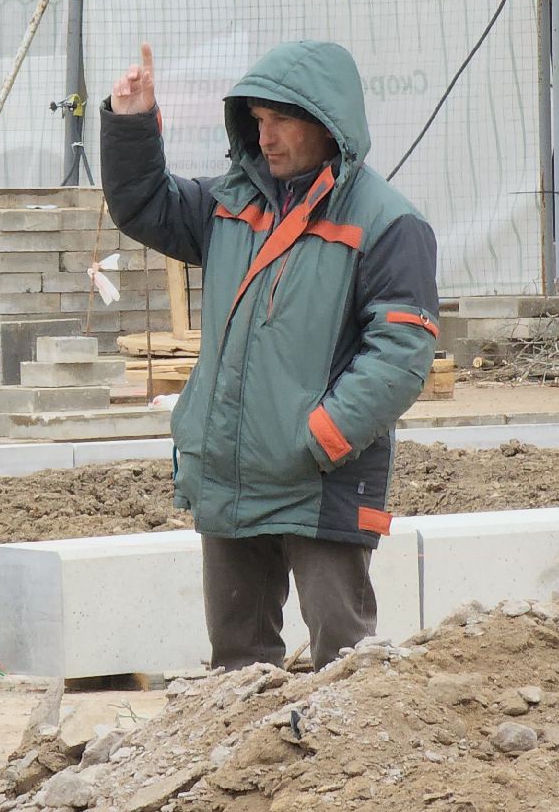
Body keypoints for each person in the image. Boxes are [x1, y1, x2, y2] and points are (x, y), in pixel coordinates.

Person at [101, 41, 439, 671]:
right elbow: (142, 205)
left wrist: (319, 437)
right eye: (257, 121)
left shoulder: (389, 224)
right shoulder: (234, 203)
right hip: (232, 474)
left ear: (326, 123)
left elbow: (400, 354)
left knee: (343, 662)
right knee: (237, 665)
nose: (267, 136)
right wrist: (132, 124)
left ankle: (345, 771)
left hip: (320, 477)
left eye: (281, 121)